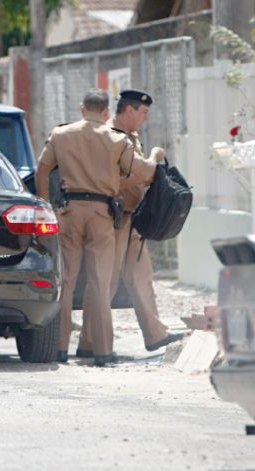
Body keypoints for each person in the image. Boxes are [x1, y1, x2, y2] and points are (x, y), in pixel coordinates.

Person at [34, 88, 162, 366]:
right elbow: (144, 172)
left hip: (68, 212)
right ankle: (102, 352)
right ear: (106, 113)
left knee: (65, 283)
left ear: (82, 108)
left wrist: (45, 207)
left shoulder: (60, 134)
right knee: (100, 283)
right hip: (102, 214)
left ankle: (59, 348)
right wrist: (154, 156)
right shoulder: (116, 139)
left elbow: (41, 171)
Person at [75, 89, 184, 358]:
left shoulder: (130, 137)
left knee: (141, 275)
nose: (145, 118)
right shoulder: (109, 136)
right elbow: (111, 180)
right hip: (113, 219)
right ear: (130, 111)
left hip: (132, 217)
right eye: (143, 113)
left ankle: (155, 333)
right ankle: (89, 341)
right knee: (105, 281)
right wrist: (152, 164)